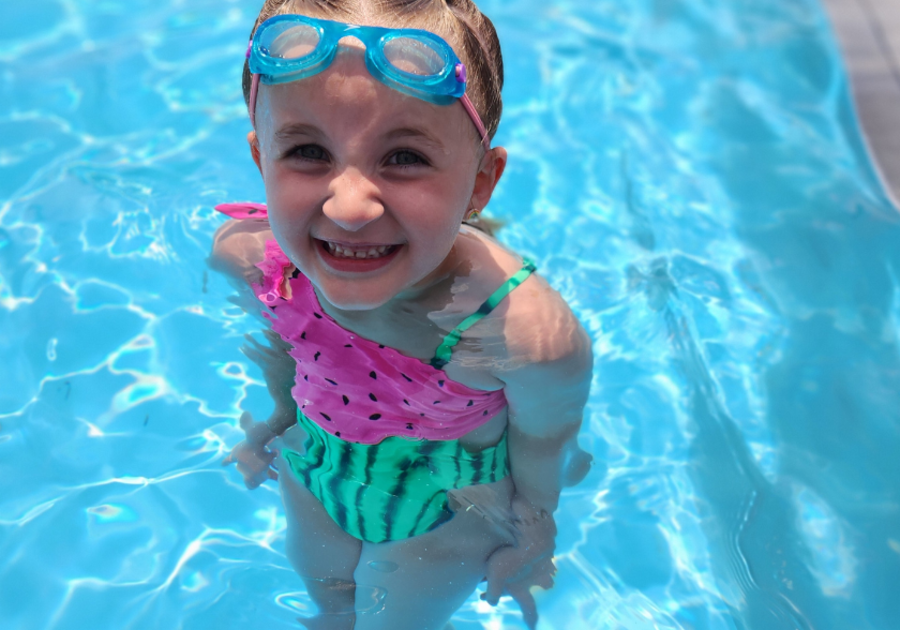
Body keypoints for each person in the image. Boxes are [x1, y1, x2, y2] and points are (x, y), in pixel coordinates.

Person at [209, 1, 592, 628]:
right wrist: (275, 420)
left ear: (479, 183)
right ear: (261, 161)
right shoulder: (255, 262)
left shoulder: (520, 334)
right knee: (329, 601)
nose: (350, 205)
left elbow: (544, 441)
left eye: (405, 157)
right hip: (316, 466)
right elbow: (282, 349)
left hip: (448, 504)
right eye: (307, 150)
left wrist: (533, 533)